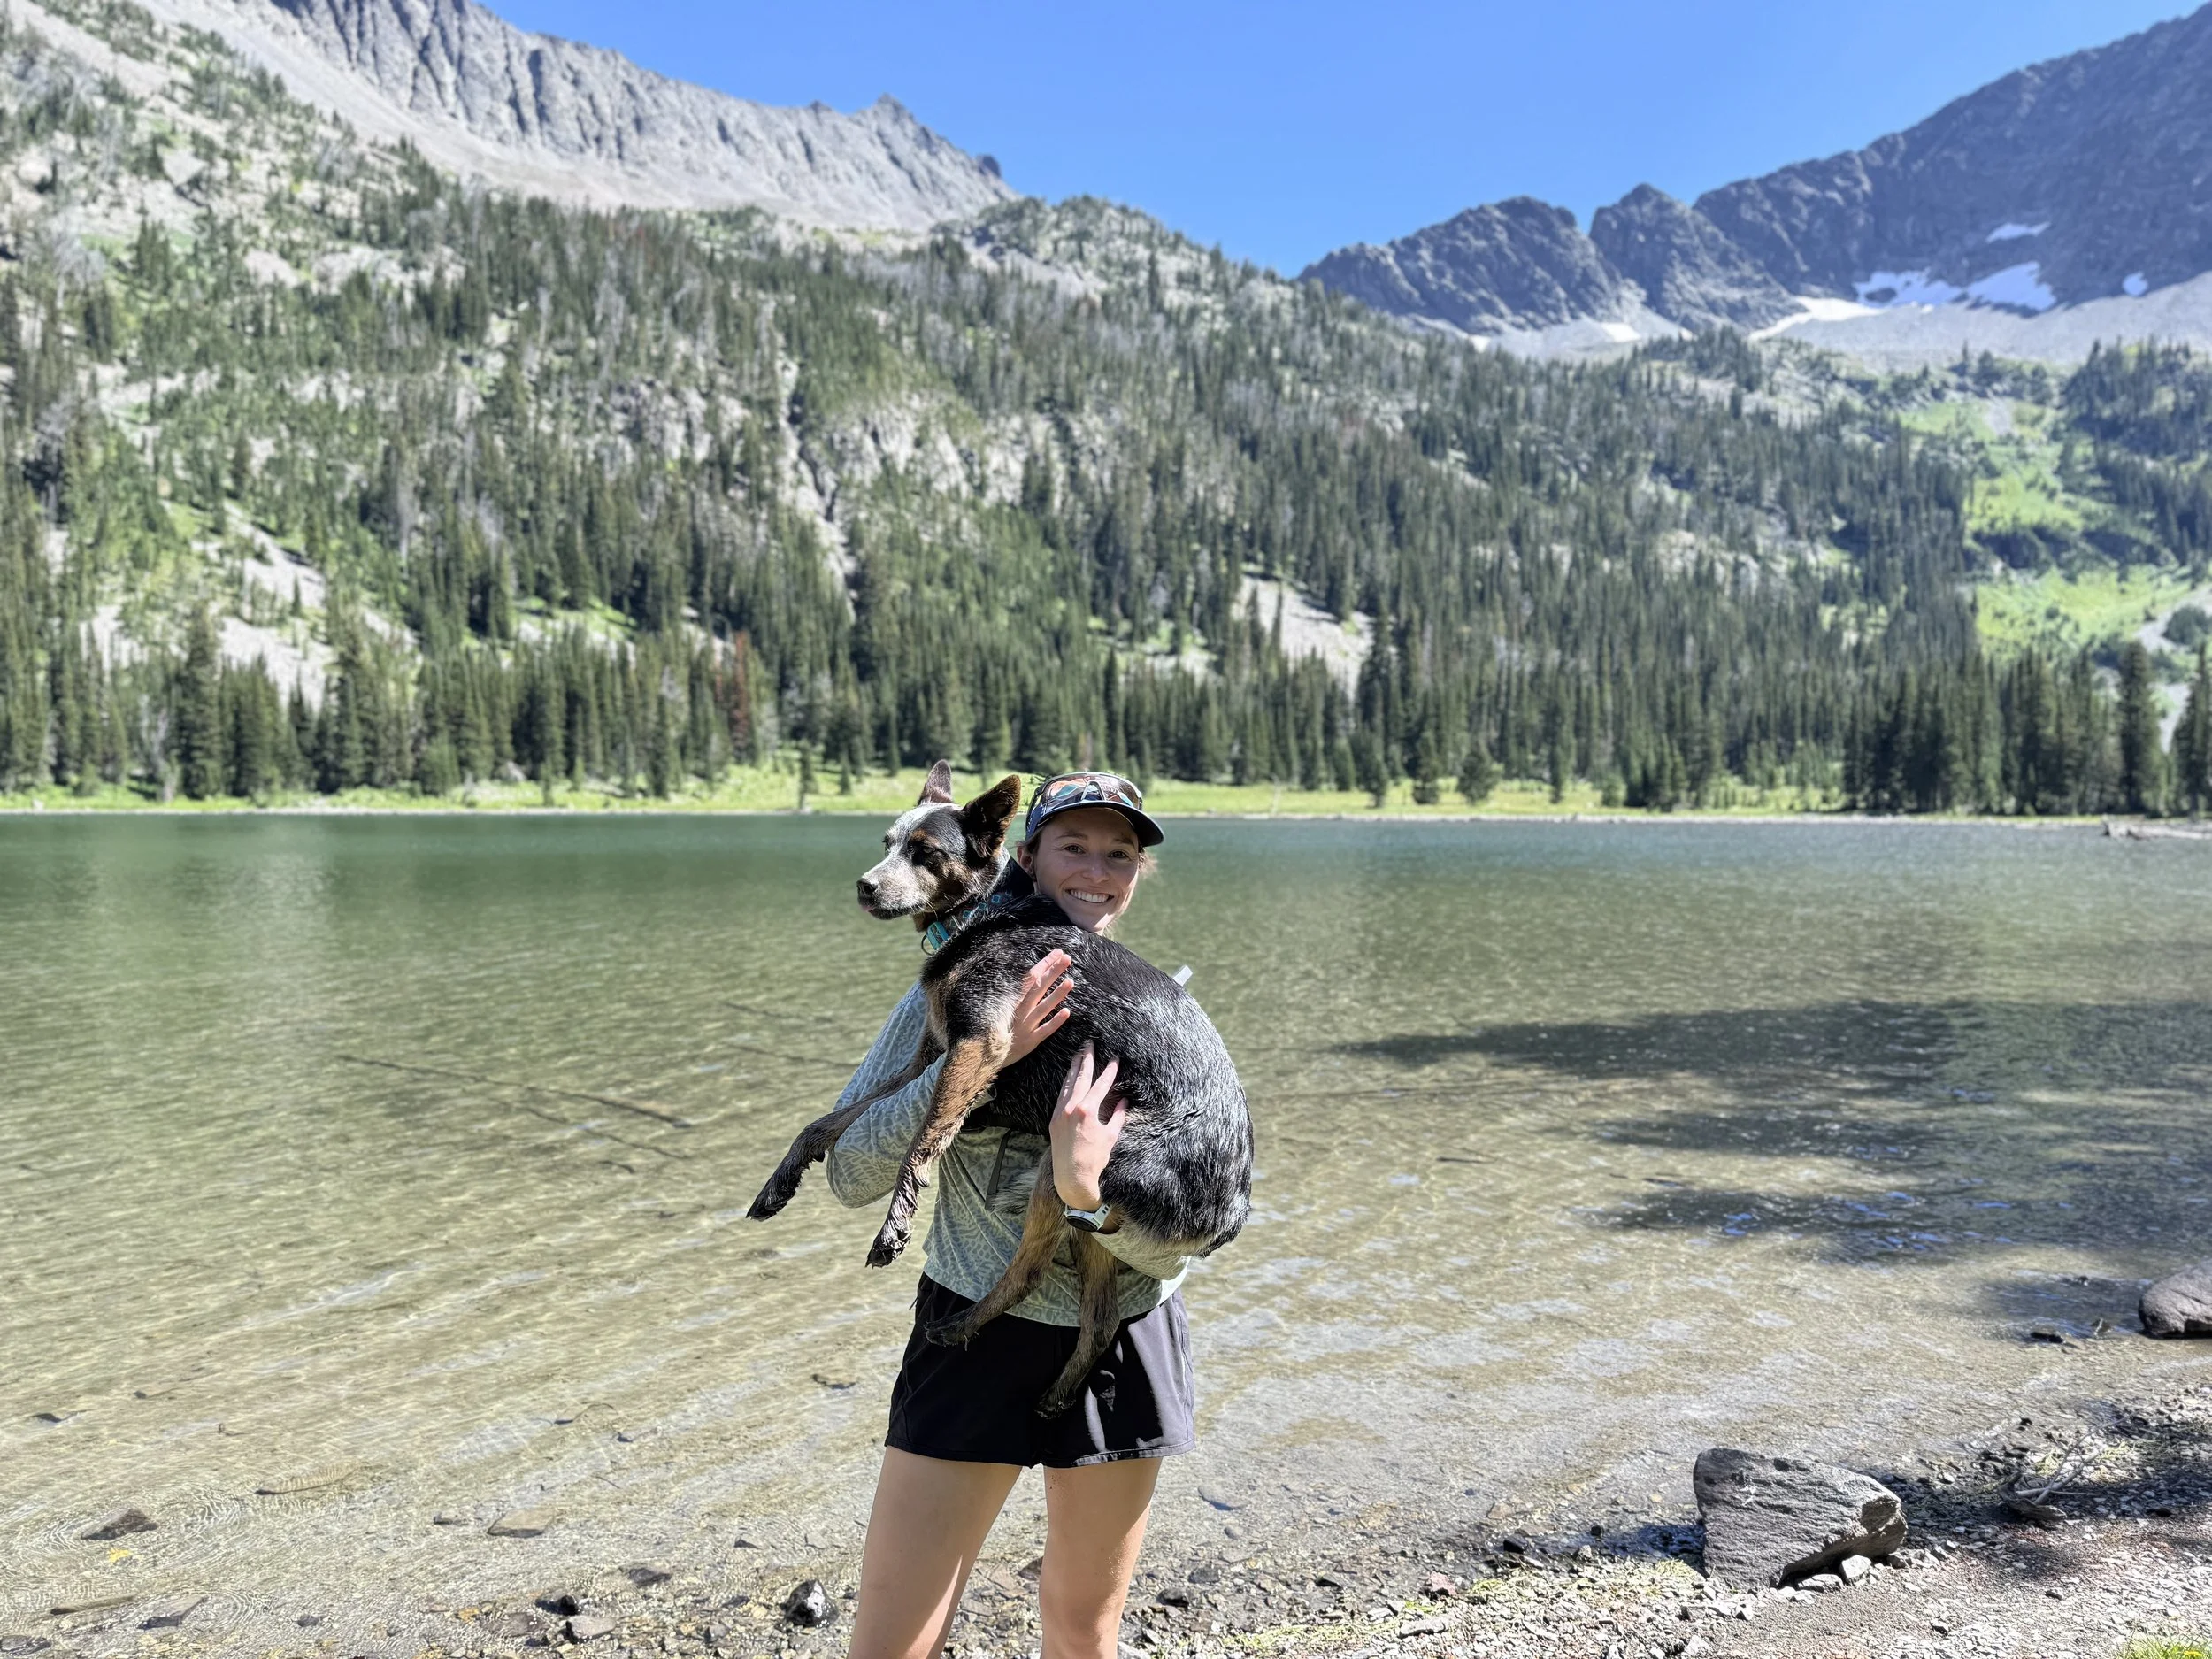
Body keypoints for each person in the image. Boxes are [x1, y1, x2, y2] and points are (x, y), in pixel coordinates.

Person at [826, 772, 1206, 1659]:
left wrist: (1086, 1198)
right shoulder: (956, 986)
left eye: (1120, 855)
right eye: (1073, 846)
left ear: (1137, 874)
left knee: (1082, 1628)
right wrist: (980, 1059)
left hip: (1119, 1339)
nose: (1096, 872)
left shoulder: (1163, 1012)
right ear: (1025, 858)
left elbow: (1182, 1244)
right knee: (891, 1645)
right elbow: (848, 1173)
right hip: (970, 1331)